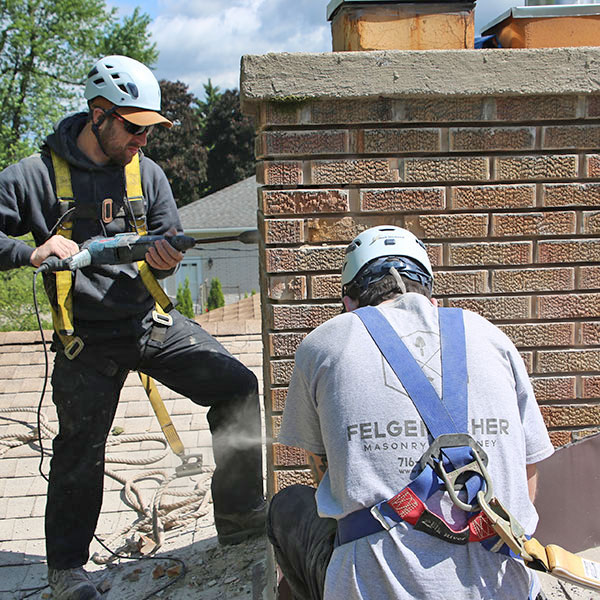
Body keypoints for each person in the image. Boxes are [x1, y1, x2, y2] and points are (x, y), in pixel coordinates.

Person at [0, 55, 265, 600]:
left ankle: (240, 517)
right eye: (134, 126)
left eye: (151, 128)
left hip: (148, 322)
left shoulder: (147, 175)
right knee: (81, 446)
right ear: (99, 115)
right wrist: (31, 251)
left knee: (237, 387)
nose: (144, 138)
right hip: (85, 340)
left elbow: (167, 241)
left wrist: (166, 260)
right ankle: (67, 570)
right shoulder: (32, 177)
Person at [268, 225, 554, 600]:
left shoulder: (323, 344)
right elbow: (527, 480)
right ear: (431, 296)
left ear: (348, 303)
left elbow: (326, 473)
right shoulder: (493, 337)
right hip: (506, 586)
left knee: (288, 506)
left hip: (375, 589)